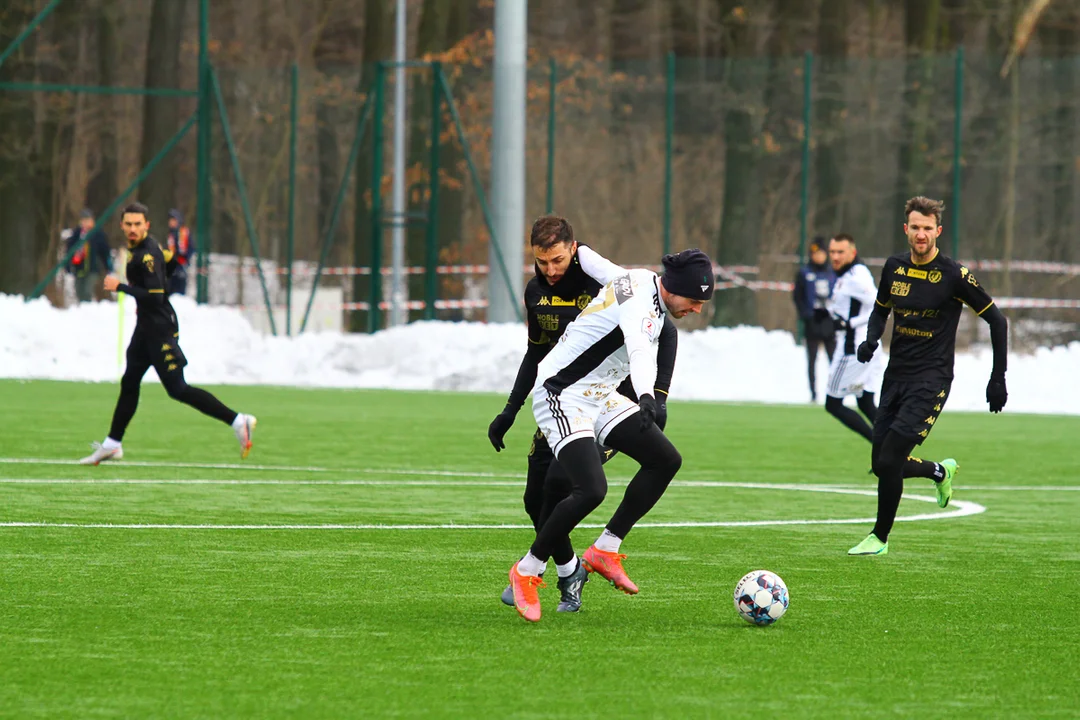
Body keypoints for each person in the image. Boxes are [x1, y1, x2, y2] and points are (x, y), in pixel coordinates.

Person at [507, 249, 713, 622]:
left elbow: (588, 259)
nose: (697, 309)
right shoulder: (643, 310)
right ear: (674, 288)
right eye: (695, 301)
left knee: (665, 460)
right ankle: (527, 570)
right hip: (562, 392)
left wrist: (577, 249)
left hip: (599, 394)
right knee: (591, 490)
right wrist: (648, 395)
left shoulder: (637, 277)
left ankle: (605, 549)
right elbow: (638, 350)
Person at [488, 215, 678, 613]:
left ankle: (542, 568)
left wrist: (652, 397)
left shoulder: (608, 282)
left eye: (558, 260)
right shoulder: (537, 293)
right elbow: (535, 353)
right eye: (542, 263)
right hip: (561, 392)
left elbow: (654, 338)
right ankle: (571, 569)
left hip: (607, 394)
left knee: (583, 483)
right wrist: (510, 409)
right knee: (536, 499)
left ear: (573, 250)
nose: (551, 270)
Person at [849, 196, 1009, 556]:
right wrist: (871, 340)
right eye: (915, 228)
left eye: (927, 228)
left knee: (890, 460)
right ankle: (940, 472)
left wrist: (997, 377)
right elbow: (879, 311)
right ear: (906, 230)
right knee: (881, 464)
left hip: (931, 379)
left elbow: (997, 321)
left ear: (937, 231)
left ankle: (879, 538)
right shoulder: (894, 267)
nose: (921, 235)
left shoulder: (954, 275)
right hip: (895, 377)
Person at [79, 202, 257, 466]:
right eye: (128, 224)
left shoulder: (146, 254)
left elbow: (155, 296)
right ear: (122, 225)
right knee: (129, 382)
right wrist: (165, 269)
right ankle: (113, 444)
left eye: (137, 224)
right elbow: (172, 264)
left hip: (159, 330)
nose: (132, 229)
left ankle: (237, 420)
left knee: (178, 389)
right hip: (145, 329)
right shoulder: (147, 248)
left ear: (146, 225)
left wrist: (121, 287)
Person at [823, 233, 881, 442]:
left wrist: (849, 323)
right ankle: (894, 452)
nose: (835, 257)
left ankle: (880, 447)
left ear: (852, 253)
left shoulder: (857, 277)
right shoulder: (847, 274)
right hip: (865, 345)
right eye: (832, 252)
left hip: (854, 349)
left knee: (833, 404)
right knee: (865, 402)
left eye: (840, 252)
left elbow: (880, 305)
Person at [793, 237, 837, 401]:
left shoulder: (832, 272)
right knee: (811, 359)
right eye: (815, 253)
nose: (818, 256)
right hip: (812, 321)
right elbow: (797, 296)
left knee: (833, 358)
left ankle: (834, 392)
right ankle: (813, 394)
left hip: (828, 321)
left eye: (820, 253)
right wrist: (805, 314)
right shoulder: (805, 273)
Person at [65, 208, 114, 303]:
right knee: (79, 290)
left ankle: (87, 310)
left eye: (88, 220)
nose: (85, 223)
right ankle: (83, 312)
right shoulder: (77, 234)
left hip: (93, 268)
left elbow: (105, 251)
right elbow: (69, 250)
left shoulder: (98, 234)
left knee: (87, 291)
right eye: (83, 220)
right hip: (79, 268)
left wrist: (108, 265)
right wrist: (67, 265)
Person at [165, 209, 193, 296]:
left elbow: (191, 248)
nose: (171, 222)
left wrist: (185, 260)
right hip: (171, 268)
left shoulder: (184, 233)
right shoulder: (170, 234)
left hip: (181, 267)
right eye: (170, 220)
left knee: (179, 293)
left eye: (173, 220)